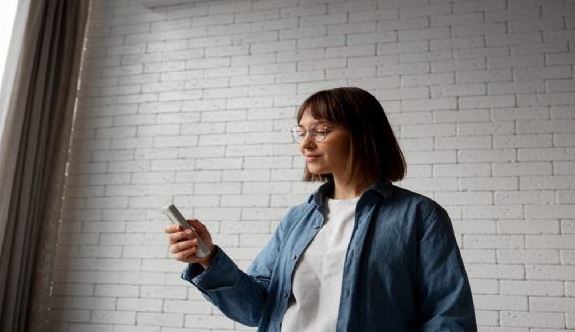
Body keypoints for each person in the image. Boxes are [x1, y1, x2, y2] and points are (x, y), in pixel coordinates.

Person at [165, 87, 477, 332]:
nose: (305, 144)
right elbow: (256, 309)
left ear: (362, 133)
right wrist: (207, 258)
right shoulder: (298, 219)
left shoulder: (420, 216)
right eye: (301, 132)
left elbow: (448, 318)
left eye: (321, 130)